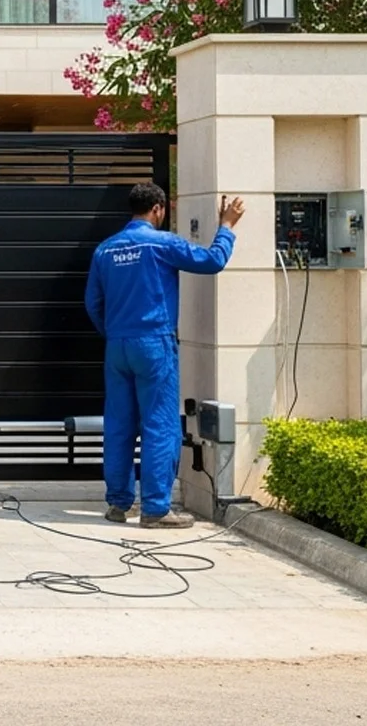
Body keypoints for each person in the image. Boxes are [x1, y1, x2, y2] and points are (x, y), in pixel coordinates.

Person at [83, 183, 244, 529]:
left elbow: (92, 303)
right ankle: (155, 509)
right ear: (158, 210)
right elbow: (212, 260)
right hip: (154, 343)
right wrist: (226, 226)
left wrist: (113, 332)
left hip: (118, 346)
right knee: (159, 424)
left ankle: (118, 503)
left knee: (119, 425)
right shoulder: (162, 243)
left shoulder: (106, 250)